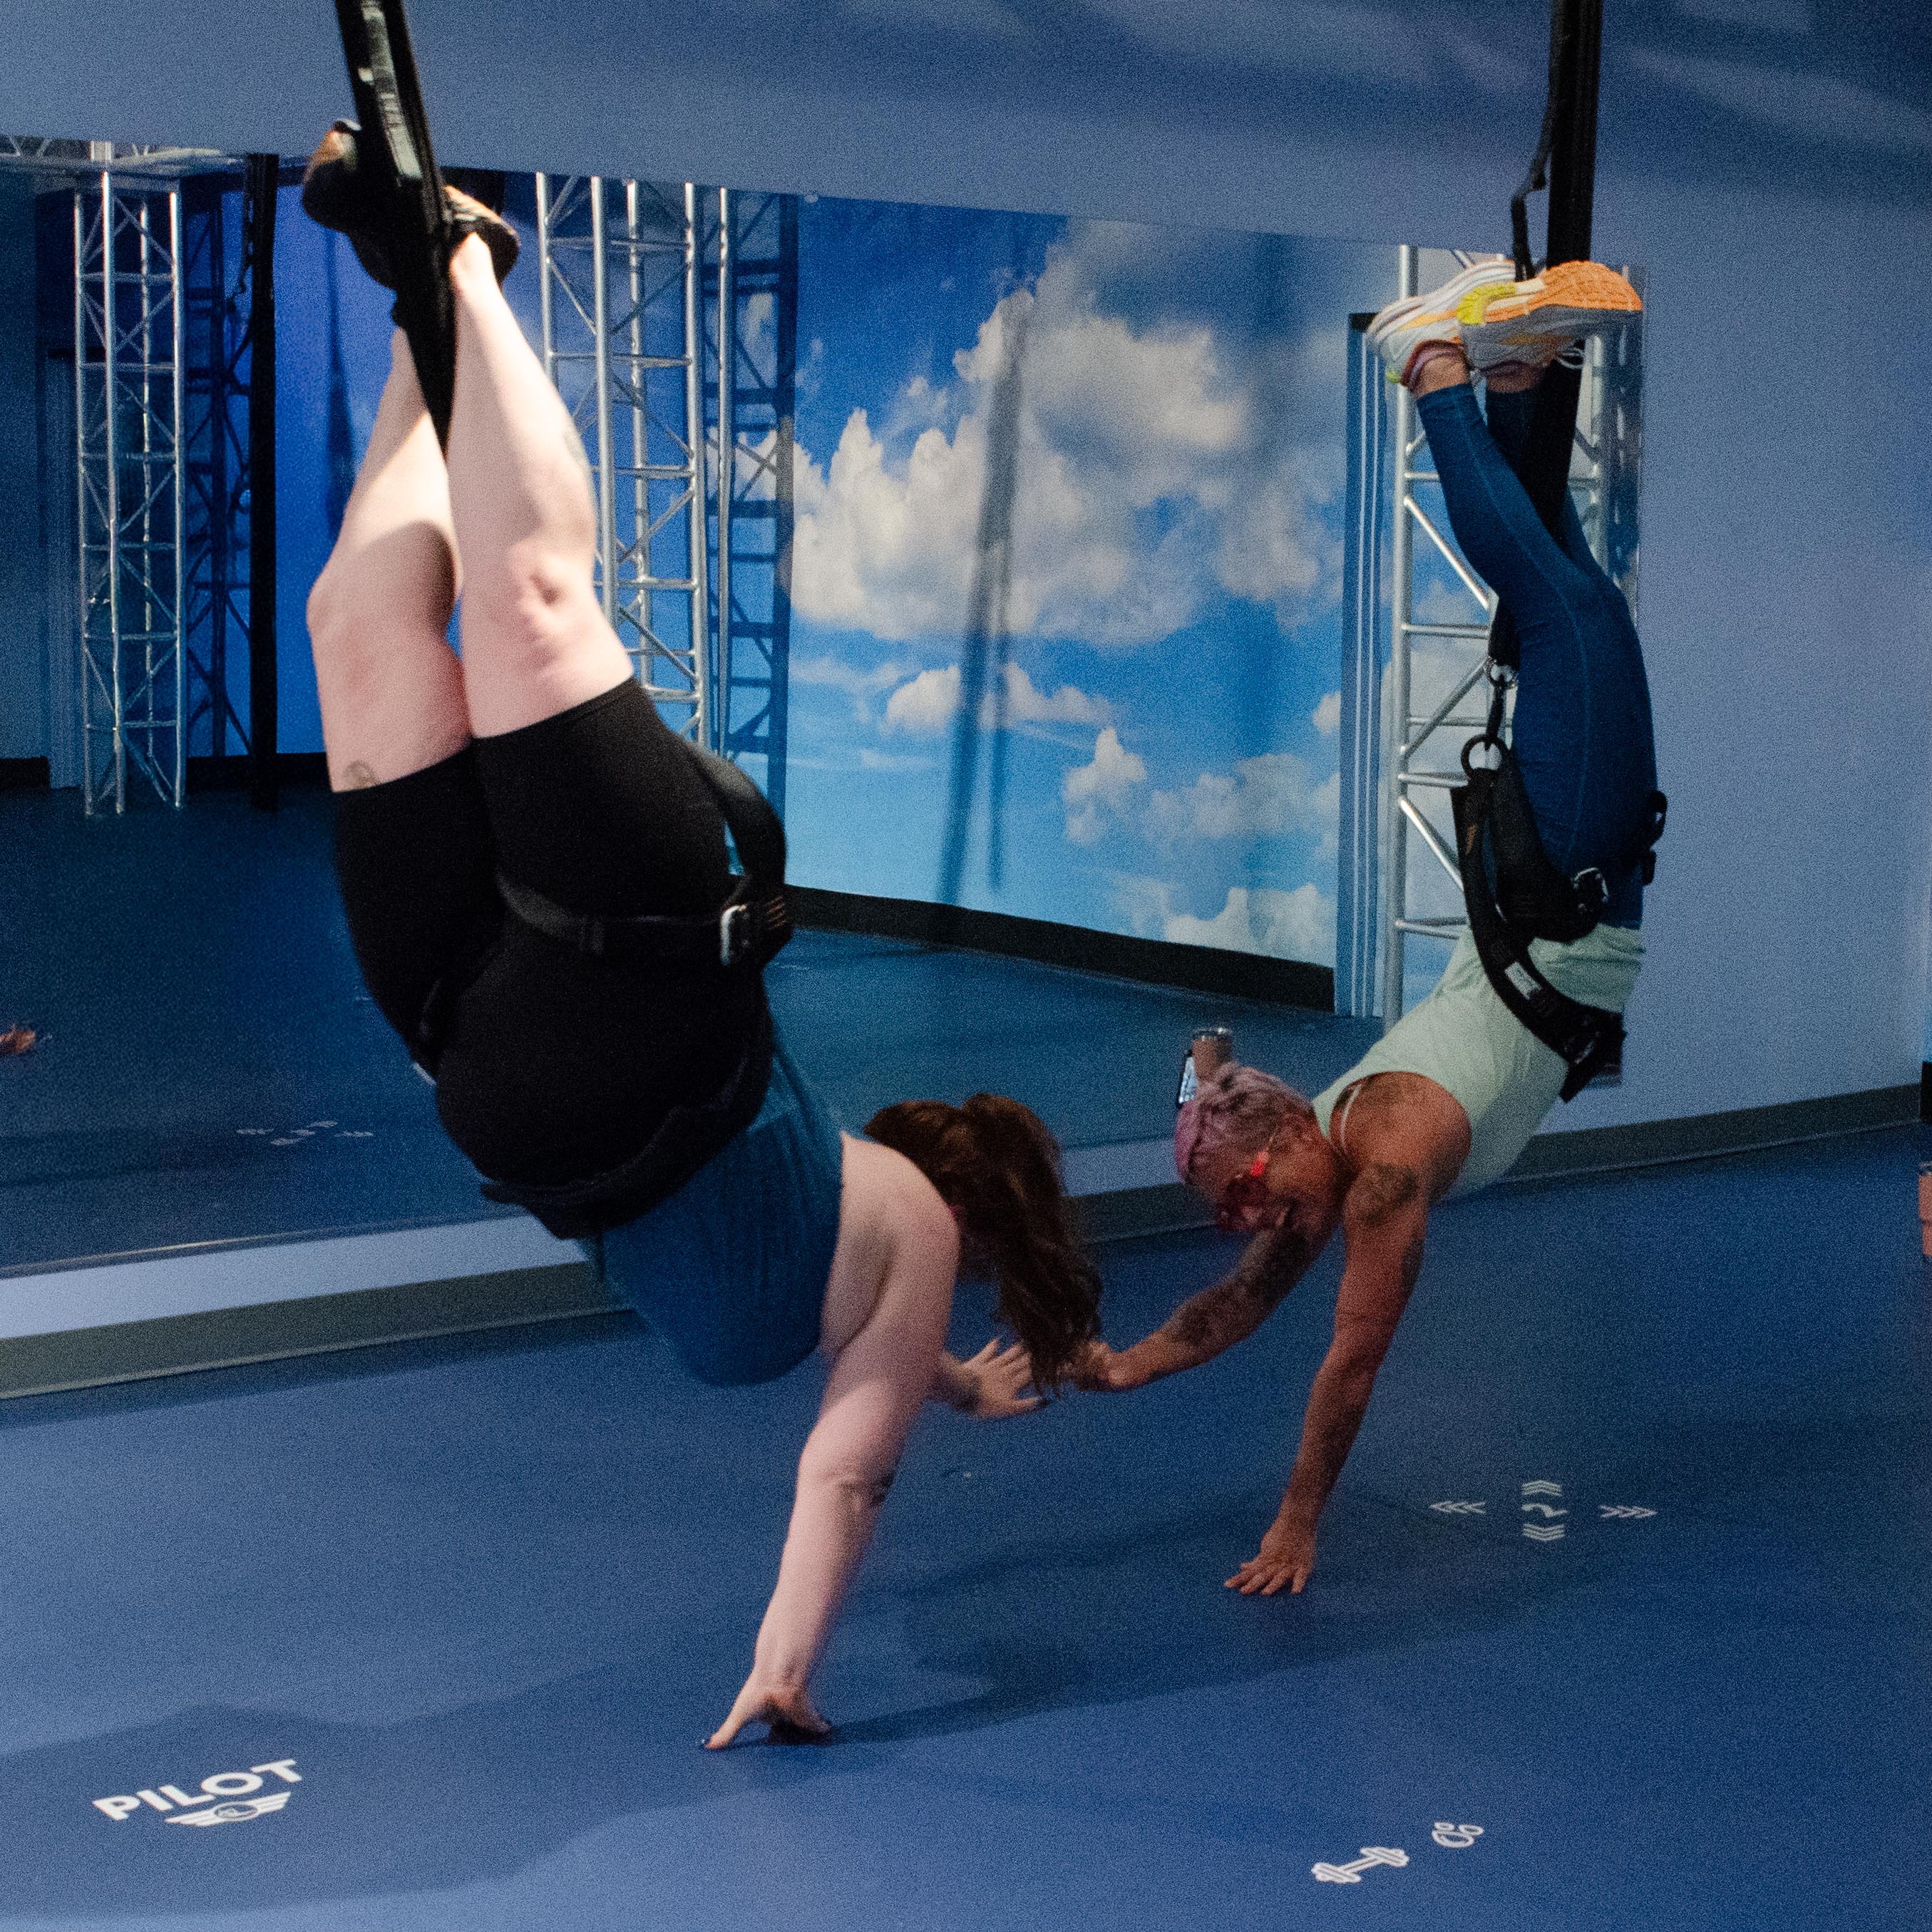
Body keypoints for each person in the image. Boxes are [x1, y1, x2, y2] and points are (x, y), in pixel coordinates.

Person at [299, 128, 1101, 1747]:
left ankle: (420, 305)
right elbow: (846, 1465)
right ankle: (456, 258)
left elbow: (888, 1388)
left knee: (354, 625)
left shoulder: (884, 1263)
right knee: (527, 601)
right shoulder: (902, 1248)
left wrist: (962, 1377)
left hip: (480, 1026)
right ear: (953, 1210)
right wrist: (785, 1657)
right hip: (644, 997)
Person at [1074, 258, 1657, 1598]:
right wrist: (1107, 1365)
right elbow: (1229, 1308)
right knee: (1557, 583)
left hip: (1565, 877)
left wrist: (1297, 1526)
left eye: (1241, 1199)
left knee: (1568, 607)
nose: (1249, 1224)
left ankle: (1434, 368)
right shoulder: (1318, 1156)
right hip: (1546, 892)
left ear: (1283, 1143)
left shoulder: (1379, 1161)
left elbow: (1350, 1359)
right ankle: (1516, 374)